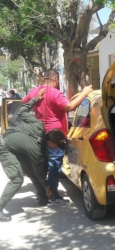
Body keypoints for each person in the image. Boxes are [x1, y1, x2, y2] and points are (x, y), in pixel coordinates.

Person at [22, 69, 93, 204]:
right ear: (56, 80)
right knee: (54, 166)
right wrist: (84, 93)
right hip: (54, 138)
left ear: (44, 79)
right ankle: (52, 195)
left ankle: (43, 193)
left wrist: (36, 101)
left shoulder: (35, 91)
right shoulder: (56, 93)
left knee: (43, 165)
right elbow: (70, 106)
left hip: (39, 135)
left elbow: (23, 102)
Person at [0, 89, 58, 222]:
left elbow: (21, 112)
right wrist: (47, 187)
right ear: (49, 142)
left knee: (31, 171)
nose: (56, 149)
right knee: (17, 179)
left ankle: (42, 198)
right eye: (56, 146)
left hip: (15, 146)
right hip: (5, 148)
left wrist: (35, 99)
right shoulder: (36, 149)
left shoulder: (39, 125)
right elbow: (39, 171)